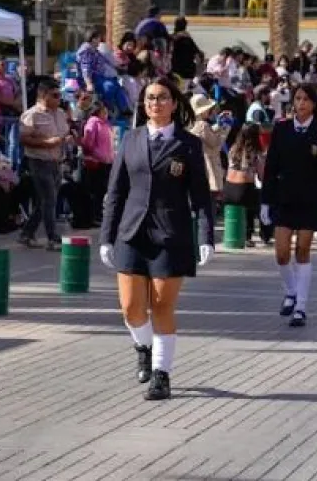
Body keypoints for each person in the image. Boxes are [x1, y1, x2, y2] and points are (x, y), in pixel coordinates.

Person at [99, 77, 214, 401]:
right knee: (131, 307)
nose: (155, 103)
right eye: (150, 98)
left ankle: (162, 375)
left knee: (162, 305)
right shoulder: (131, 139)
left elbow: (201, 197)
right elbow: (116, 192)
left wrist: (206, 237)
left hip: (171, 233)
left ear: (175, 104)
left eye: (162, 98)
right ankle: (143, 346)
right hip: (132, 232)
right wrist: (107, 237)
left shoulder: (188, 144)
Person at [260, 84, 317, 327]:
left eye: (306, 99)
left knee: (302, 251)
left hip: (309, 197)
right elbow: (271, 166)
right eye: (297, 98)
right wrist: (265, 201)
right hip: (284, 197)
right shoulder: (282, 129)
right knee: (281, 253)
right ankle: (290, 291)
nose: (301, 103)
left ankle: (301, 307)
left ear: (314, 104)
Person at [18, 78, 70, 251]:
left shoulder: (61, 114)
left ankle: (27, 233)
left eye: (59, 95)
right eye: (54, 95)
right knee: (49, 199)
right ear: (43, 95)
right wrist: (47, 142)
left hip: (56, 161)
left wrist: (67, 140)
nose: (58, 99)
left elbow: (64, 133)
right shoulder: (32, 115)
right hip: (39, 161)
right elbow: (24, 138)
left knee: (46, 202)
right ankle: (52, 238)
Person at [222, 123, 264, 246]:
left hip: (228, 189)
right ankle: (248, 236)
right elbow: (261, 174)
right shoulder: (255, 151)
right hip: (243, 190)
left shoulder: (233, 148)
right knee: (255, 203)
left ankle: (232, 232)